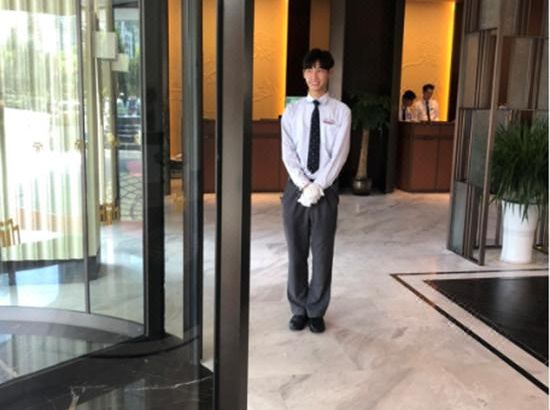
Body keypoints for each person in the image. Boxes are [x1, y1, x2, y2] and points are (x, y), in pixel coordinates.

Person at [280, 49, 351, 334]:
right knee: (296, 252)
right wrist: (304, 184)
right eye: (310, 69)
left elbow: (339, 155)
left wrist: (319, 185)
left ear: (330, 73)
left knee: (322, 253)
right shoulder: (292, 111)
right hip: (295, 190)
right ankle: (298, 308)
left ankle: (316, 310)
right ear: (303, 73)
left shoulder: (341, 112)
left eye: (320, 69)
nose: (315, 75)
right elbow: (288, 153)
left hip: (326, 190)